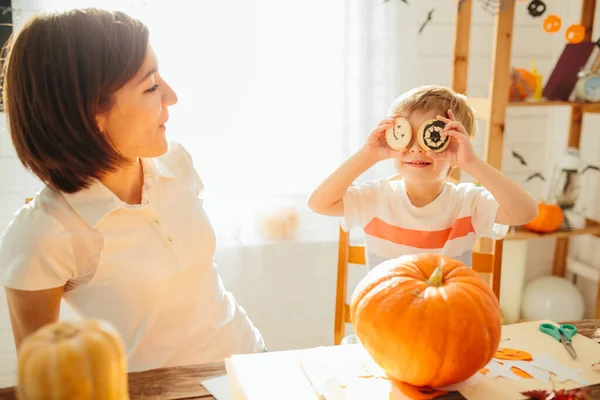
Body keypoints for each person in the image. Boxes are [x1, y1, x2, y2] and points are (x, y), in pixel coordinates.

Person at [0, 8, 265, 372]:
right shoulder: (43, 234)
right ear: (92, 113)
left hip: (253, 366)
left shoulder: (176, 164)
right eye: (151, 86)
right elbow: (42, 382)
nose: (171, 97)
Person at [308, 85, 538, 270]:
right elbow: (319, 203)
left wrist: (472, 163)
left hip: (447, 317)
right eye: (405, 135)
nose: (416, 149)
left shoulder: (468, 203)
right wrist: (367, 155)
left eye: (430, 136)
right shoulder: (376, 198)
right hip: (387, 315)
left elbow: (525, 212)